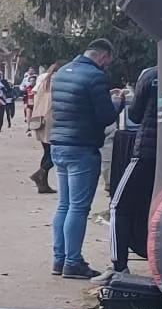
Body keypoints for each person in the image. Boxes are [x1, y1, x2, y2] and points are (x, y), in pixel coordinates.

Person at [47, 40, 120, 279]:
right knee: (78, 207)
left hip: (59, 145)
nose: (108, 65)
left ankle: (59, 260)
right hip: (82, 147)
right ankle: (73, 262)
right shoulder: (94, 76)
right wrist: (118, 102)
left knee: (64, 205)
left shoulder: (61, 73)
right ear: (103, 56)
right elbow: (107, 116)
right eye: (108, 61)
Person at [109, 64, 157, 273]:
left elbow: (135, 116)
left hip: (148, 150)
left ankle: (119, 267)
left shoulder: (150, 75)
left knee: (119, 207)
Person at [27, 61, 57, 194]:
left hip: (40, 120)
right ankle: (41, 173)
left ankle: (43, 183)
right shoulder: (56, 82)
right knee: (55, 154)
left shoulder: (42, 80)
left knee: (47, 152)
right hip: (51, 121)